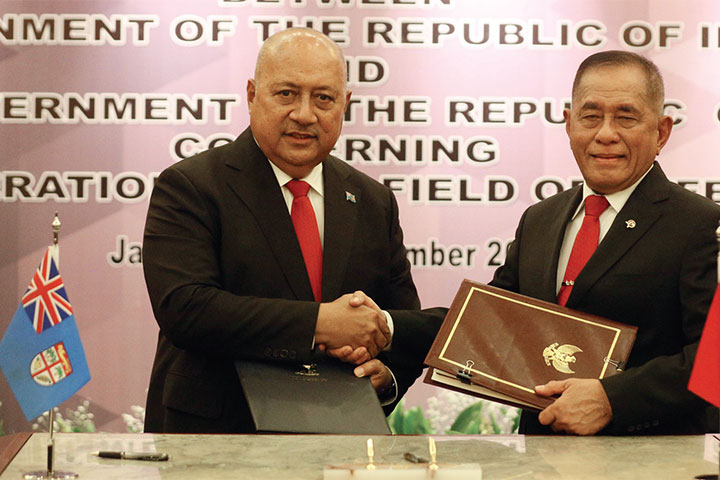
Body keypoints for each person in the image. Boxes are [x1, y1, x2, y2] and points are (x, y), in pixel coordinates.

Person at [392, 50, 720, 435]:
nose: (606, 134)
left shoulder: (700, 224)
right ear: (568, 124)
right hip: (540, 452)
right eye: (591, 116)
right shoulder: (540, 220)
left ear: (661, 131)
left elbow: (714, 359)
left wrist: (613, 400)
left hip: (652, 456)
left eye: (626, 117)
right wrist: (385, 325)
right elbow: (486, 322)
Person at [142, 27, 422, 433]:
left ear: (344, 104)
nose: (305, 114)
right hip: (215, 438)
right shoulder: (191, 185)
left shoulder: (372, 200)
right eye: (287, 94)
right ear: (252, 95)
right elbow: (186, 308)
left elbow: (399, 322)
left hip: (339, 436)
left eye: (323, 98)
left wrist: (387, 375)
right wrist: (320, 322)